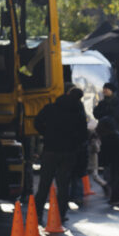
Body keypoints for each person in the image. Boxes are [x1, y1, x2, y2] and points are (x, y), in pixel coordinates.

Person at [34, 86, 88, 223]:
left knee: (44, 185)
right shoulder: (78, 113)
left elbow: (37, 122)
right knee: (63, 186)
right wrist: (74, 144)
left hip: (50, 150)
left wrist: (46, 134)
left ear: (67, 93)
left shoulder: (51, 108)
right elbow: (83, 135)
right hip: (68, 153)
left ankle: (37, 214)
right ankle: (60, 215)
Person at [97, 116, 119, 210]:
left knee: (114, 180)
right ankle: (116, 199)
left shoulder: (108, 138)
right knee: (118, 181)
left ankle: (115, 199)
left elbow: (106, 153)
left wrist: (103, 163)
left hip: (116, 162)